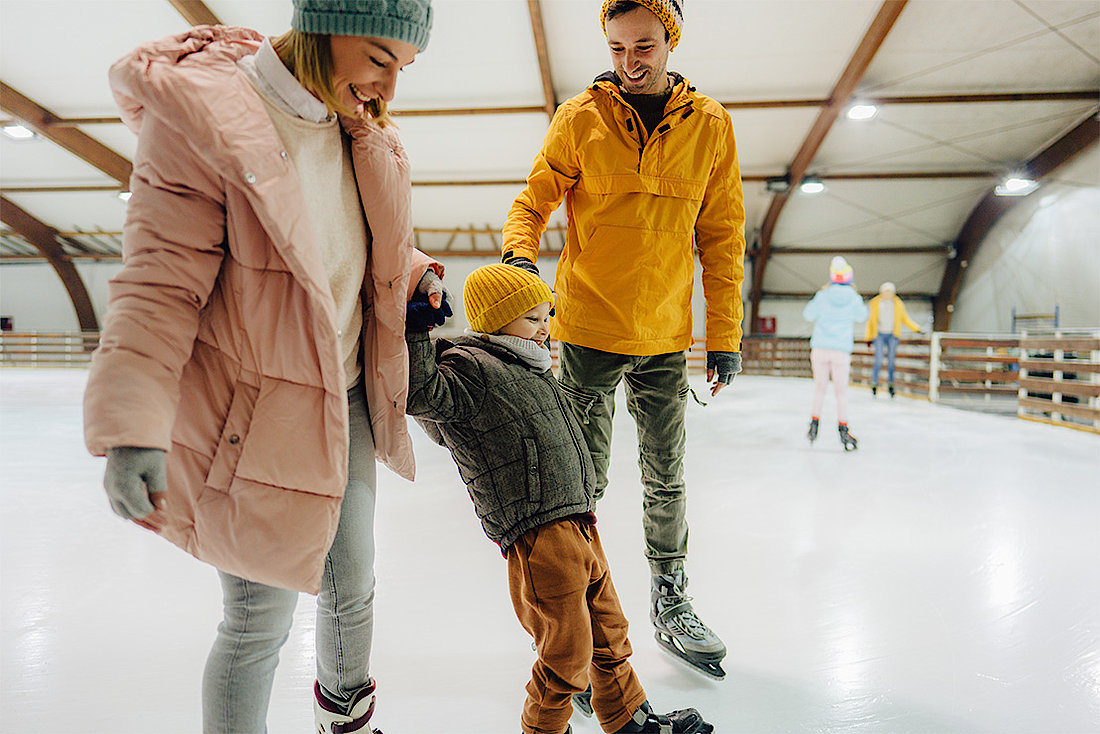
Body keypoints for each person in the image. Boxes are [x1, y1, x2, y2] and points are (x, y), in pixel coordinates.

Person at [82, 2, 448, 732]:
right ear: (322, 25)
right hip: (256, 412)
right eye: (379, 59)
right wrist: (132, 429)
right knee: (257, 621)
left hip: (346, 395)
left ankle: (345, 715)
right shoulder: (204, 120)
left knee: (353, 585)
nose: (388, 90)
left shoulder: (357, 128)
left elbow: (339, 238)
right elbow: (159, 286)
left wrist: (411, 273)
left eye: (403, 69)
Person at [499, 0, 745, 680]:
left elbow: (723, 240)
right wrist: (520, 257)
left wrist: (724, 336)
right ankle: (578, 619)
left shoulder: (711, 128)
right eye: (615, 48)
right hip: (585, 331)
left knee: (666, 479)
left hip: (664, 336)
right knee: (582, 484)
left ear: (669, 41)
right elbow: (533, 200)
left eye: (642, 46)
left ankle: (670, 598)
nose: (629, 62)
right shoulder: (581, 118)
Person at [405, 264, 715, 734]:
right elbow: (423, 394)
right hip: (537, 531)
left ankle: (629, 718)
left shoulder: (531, 366)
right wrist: (418, 327)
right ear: (494, 321)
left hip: (578, 521)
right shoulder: (470, 368)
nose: (544, 327)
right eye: (531, 319)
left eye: (546, 316)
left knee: (610, 633)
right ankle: (544, 729)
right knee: (566, 652)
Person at [802, 257, 869, 451]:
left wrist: (822, 294)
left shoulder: (823, 295)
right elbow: (862, 316)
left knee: (819, 389)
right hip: (840, 350)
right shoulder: (853, 297)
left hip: (820, 348)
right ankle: (843, 429)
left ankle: (814, 425)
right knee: (841, 392)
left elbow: (808, 314)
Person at [865, 281, 923, 397]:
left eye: (890, 292)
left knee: (891, 362)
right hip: (879, 335)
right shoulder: (876, 303)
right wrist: (868, 337)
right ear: (882, 292)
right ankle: (874, 383)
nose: (887, 294)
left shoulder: (898, 304)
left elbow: (905, 319)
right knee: (879, 360)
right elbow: (870, 322)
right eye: (885, 292)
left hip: (892, 335)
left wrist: (917, 328)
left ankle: (891, 384)